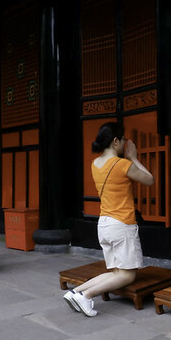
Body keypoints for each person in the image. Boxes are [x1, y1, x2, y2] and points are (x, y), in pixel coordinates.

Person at [64, 122, 154, 316]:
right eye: (123, 139)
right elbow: (150, 179)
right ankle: (86, 295)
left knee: (116, 273)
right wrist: (133, 158)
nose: (125, 142)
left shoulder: (94, 164)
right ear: (115, 141)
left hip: (104, 224)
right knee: (128, 275)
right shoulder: (122, 164)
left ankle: (76, 292)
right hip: (122, 224)